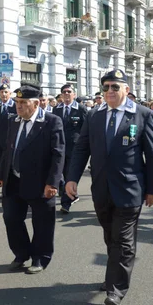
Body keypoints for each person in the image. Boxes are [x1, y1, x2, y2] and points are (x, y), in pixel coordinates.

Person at [65, 69, 153, 305]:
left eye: (115, 87)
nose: (109, 91)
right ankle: (113, 274)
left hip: (130, 189)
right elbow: (81, 149)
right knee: (110, 236)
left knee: (123, 239)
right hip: (101, 189)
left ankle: (116, 289)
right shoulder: (94, 115)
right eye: (106, 87)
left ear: (126, 90)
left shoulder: (143, 114)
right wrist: (71, 178)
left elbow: (152, 154)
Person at [0, 86, 64, 273]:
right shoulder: (13, 121)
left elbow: (58, 154)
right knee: (11, 218)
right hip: (14, 179)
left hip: (40, 182)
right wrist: (1, 174)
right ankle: (21, 253)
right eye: (17, 103)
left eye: (23, 103)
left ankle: (40, 258)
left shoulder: (51, 121)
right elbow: (7, 150)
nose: (18, 106)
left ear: (35, 104)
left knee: (42, 222)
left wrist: (53, 182)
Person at [53, 84, 87, 214]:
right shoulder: (56, 110)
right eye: (64, 92)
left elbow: (85, 130)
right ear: (61, 95)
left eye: (69, 92)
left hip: (74, 148)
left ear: (74, 94)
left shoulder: (81, 109)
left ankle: (66, 203)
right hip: (58, 147)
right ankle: (67, 193)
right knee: (58, 173)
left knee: (69, 174)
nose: (66, 94)